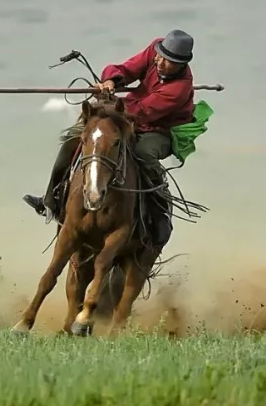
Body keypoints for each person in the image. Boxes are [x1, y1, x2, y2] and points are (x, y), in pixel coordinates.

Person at [22, 29, 196, 247]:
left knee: (143, 153)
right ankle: (50, 199)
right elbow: (128, 69)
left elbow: (142, 111)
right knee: (73, 138)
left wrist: (108, 104)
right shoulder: (155, 50)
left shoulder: (179, 89)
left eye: (167, 61)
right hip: (125, 114)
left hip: (158, 128)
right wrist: (111, 81)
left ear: (181, 64)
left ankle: (160, 207)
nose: (160, 62)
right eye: (159, 56)